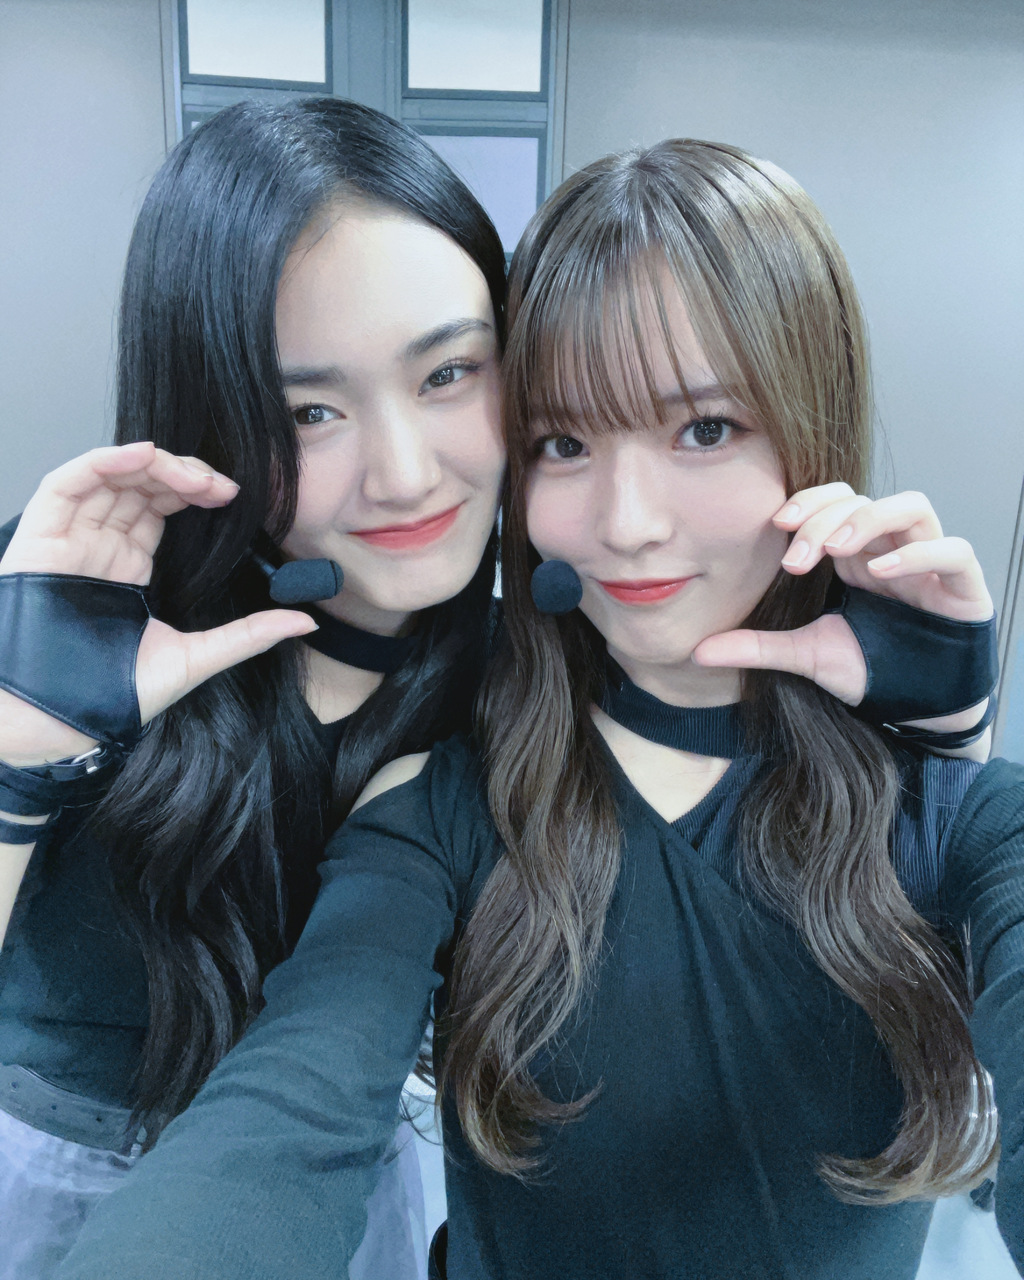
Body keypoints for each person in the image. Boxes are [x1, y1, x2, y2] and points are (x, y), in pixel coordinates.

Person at [44, 140, 1024, 1279]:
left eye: (705, 429)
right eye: (564, 443)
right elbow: (291, 1108)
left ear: (815, 430)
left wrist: (948, 748)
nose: (626, 523)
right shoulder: (448, 799)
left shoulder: (962, 814)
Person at [0, 97, 507, 1279]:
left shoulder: (514, 661)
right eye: (309, 411)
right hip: (67, 1174)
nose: (405, 473)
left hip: (349, 1168)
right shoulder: (69, 599)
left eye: (448, 373)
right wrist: (22, 760)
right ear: (211, 421)